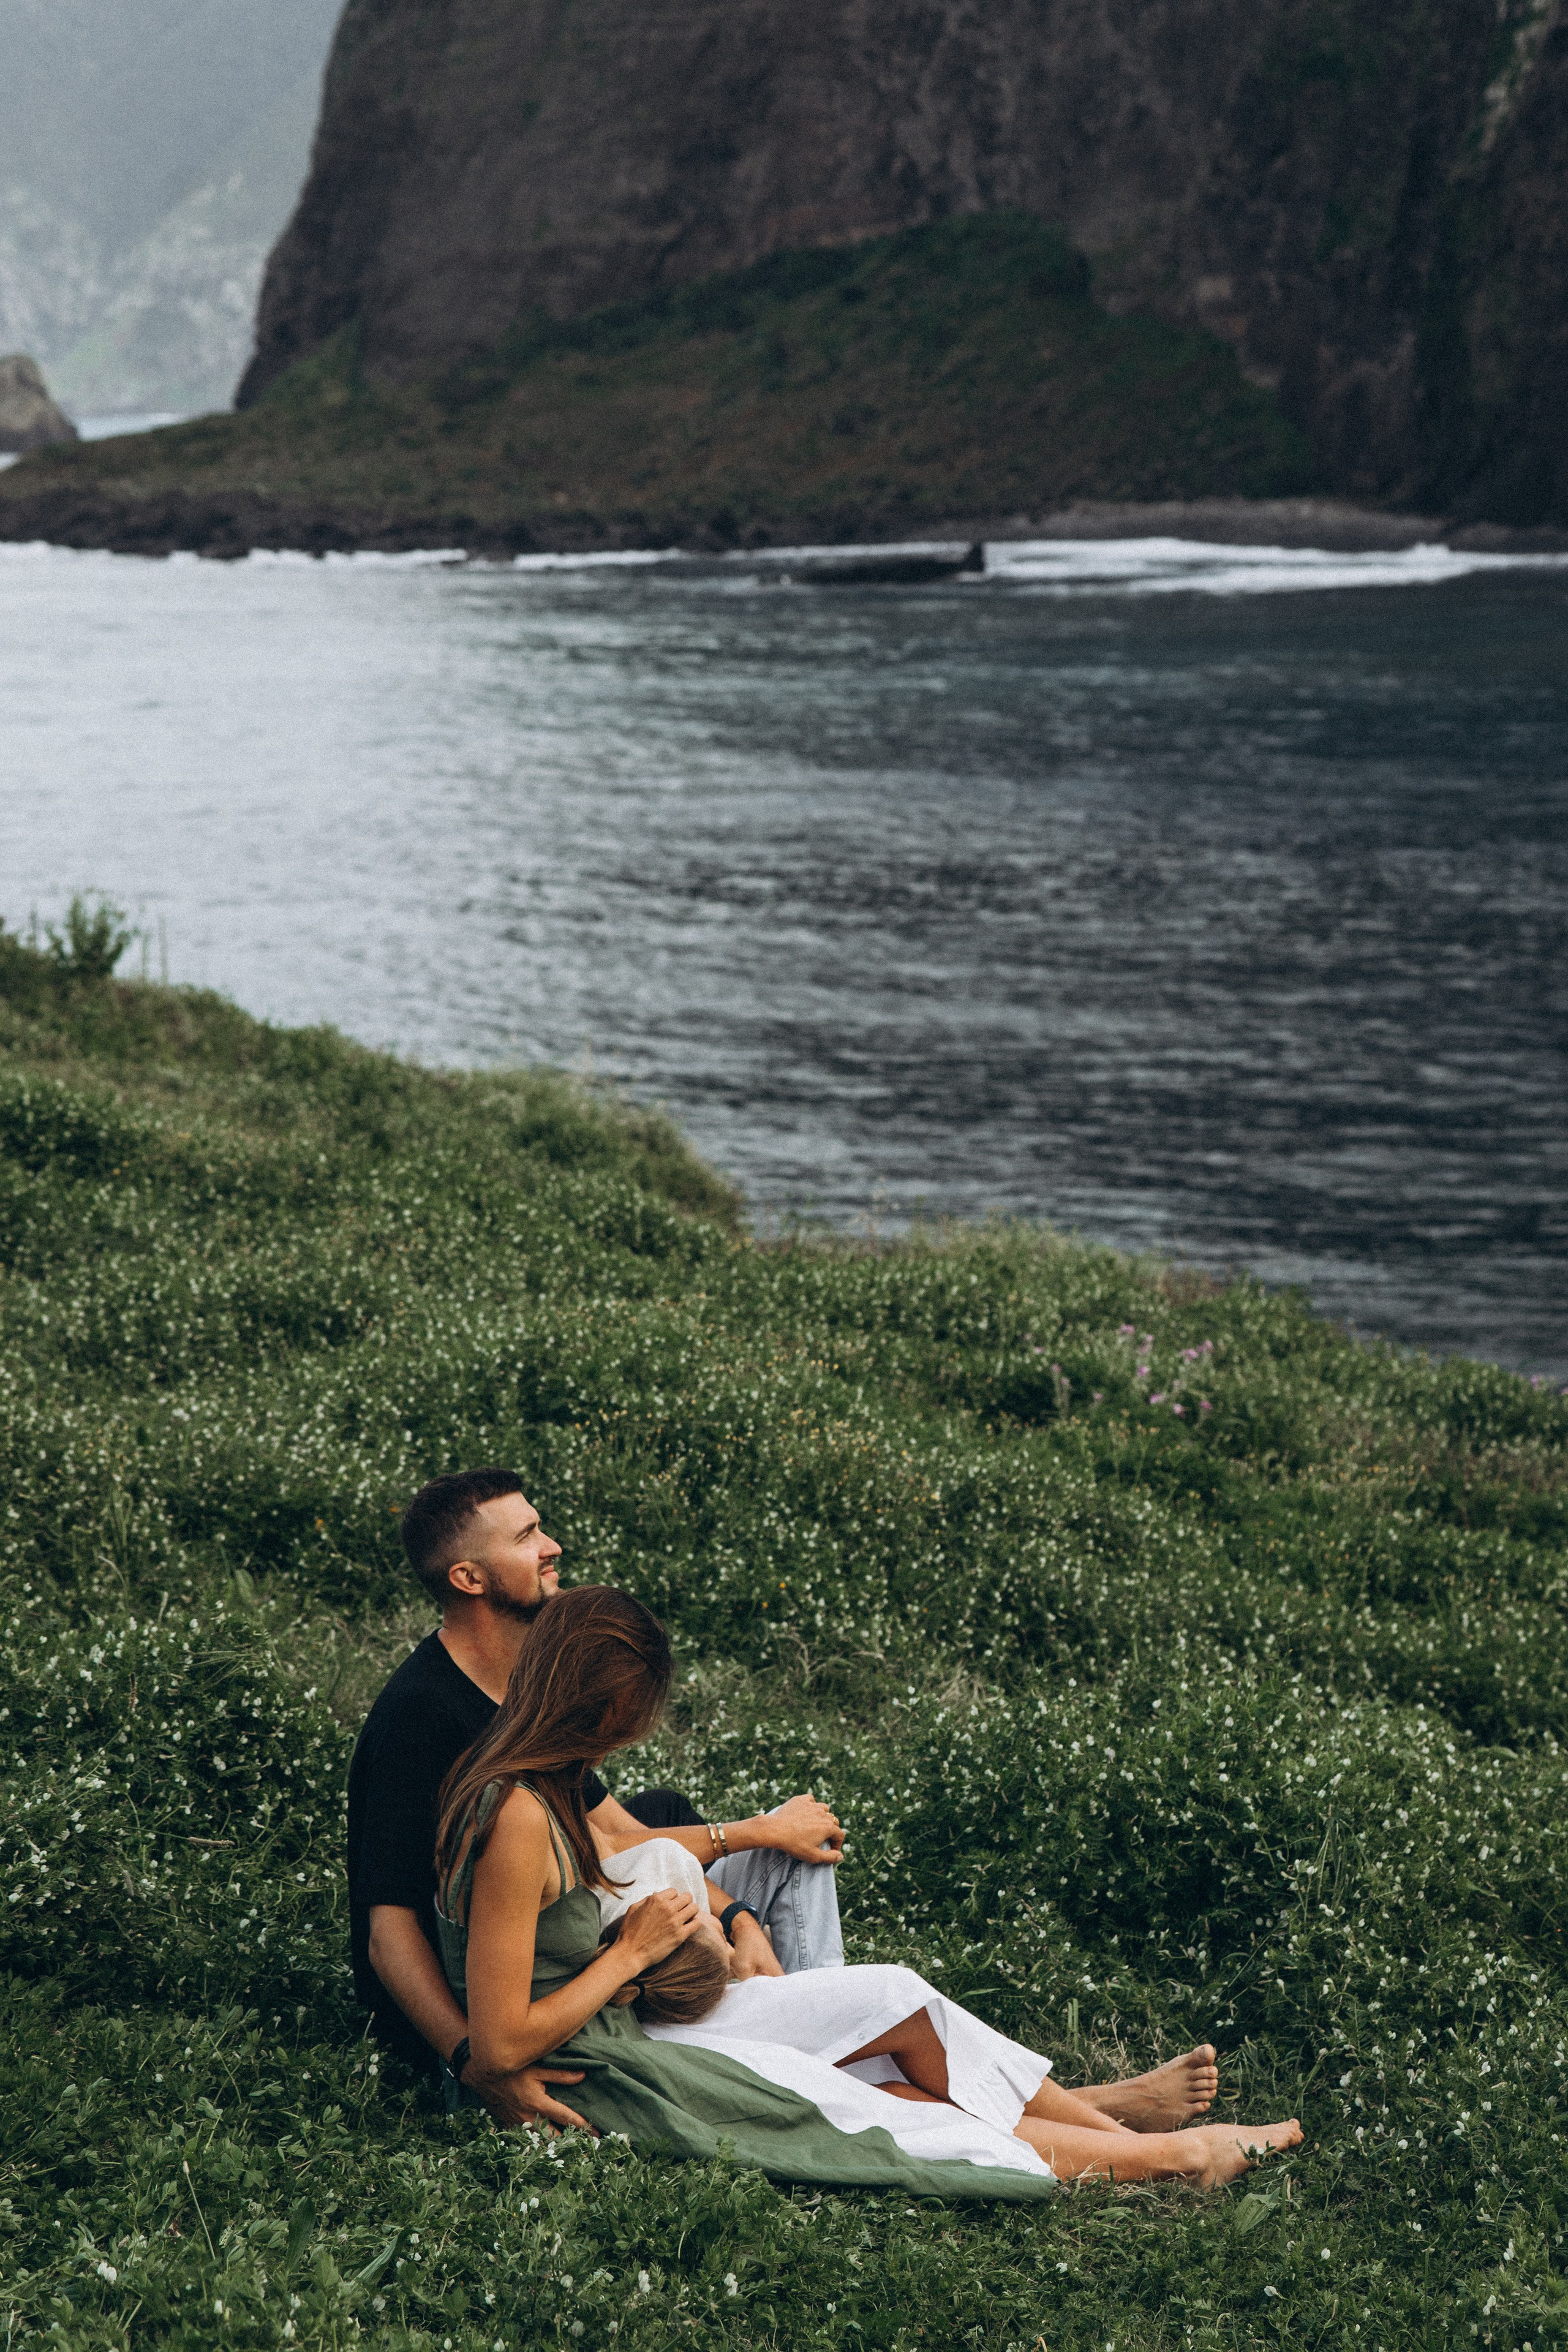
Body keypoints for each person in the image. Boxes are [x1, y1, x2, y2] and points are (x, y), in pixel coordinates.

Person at [434, 1583, 1304, 2192]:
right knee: (878, 2106)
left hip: (626, 2018)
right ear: (592, 1714)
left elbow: (604, 1875)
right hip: (609, 2069)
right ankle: (1177, 2160)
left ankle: (1127, 2133)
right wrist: (629, 1952)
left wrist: (692, 1932)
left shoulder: (543, 1776)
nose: (623, 1751)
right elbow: (500, 2045)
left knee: (895, 1999)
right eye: (624, 1729)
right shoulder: (512, 1812)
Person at [346, 1468, 845, 2128]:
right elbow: (388, 1935)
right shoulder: (417, 1719)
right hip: (499, 1989)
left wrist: (739, 1916)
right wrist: (472, 2063)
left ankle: (813, 2026)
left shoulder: (531, 1681)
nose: (551, 1546)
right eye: (527, 1536)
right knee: (754, 1841)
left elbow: (611, 1835)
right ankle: (812, 2058)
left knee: (779, 1845)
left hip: (575, 1919)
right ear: (469, 1578)